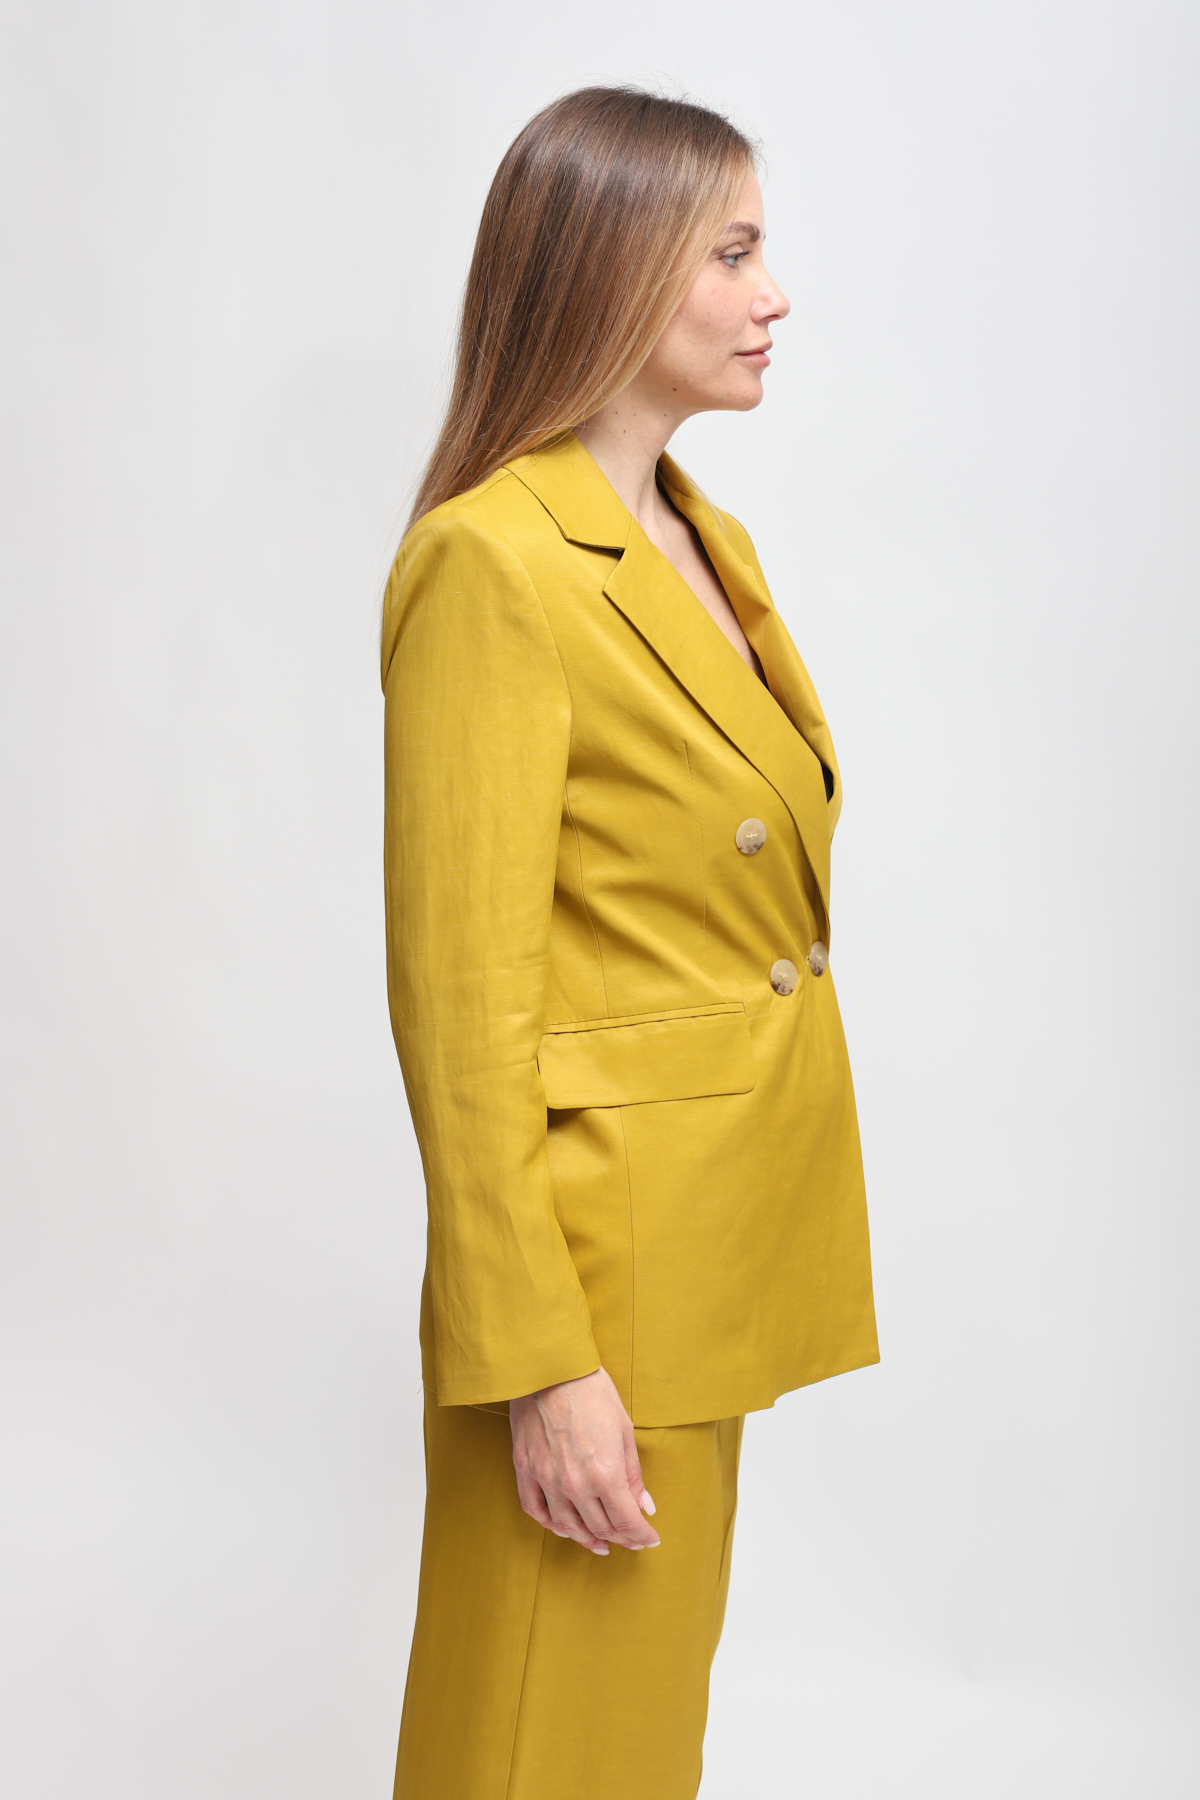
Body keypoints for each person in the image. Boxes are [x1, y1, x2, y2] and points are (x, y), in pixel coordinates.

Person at [380, 85, 878, 1800]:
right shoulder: (493, 565)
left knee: (624, 1750)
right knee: (542, 1752)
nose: (773, 295)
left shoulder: (696, 536)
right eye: (732, 254)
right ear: (612, 266)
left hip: (701, 1250)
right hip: (594, 1291)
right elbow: (461, 1010)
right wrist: (539, 1366)